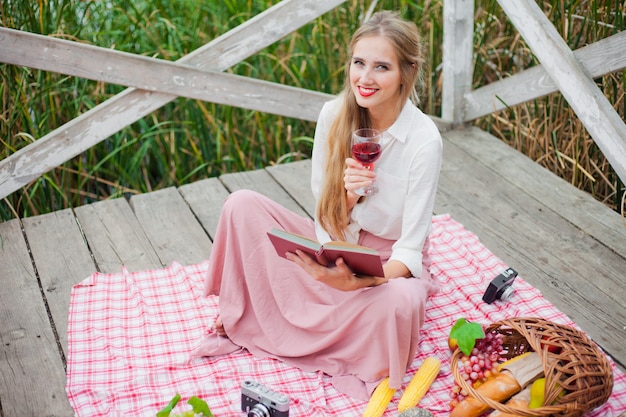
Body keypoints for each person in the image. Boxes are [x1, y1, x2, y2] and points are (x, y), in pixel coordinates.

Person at [192, 10, 442, 401]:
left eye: (381, 67)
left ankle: (315, 315)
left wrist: (360, 280)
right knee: (241, 205)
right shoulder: (334, 115)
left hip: (384, 262)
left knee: (401, 300)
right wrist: (351, 195)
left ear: (406, 73)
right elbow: (326, 220)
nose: (365, 78)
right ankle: (260, 311)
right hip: (336, 241)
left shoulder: (425, 140)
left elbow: (409, 251)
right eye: (359, 63)